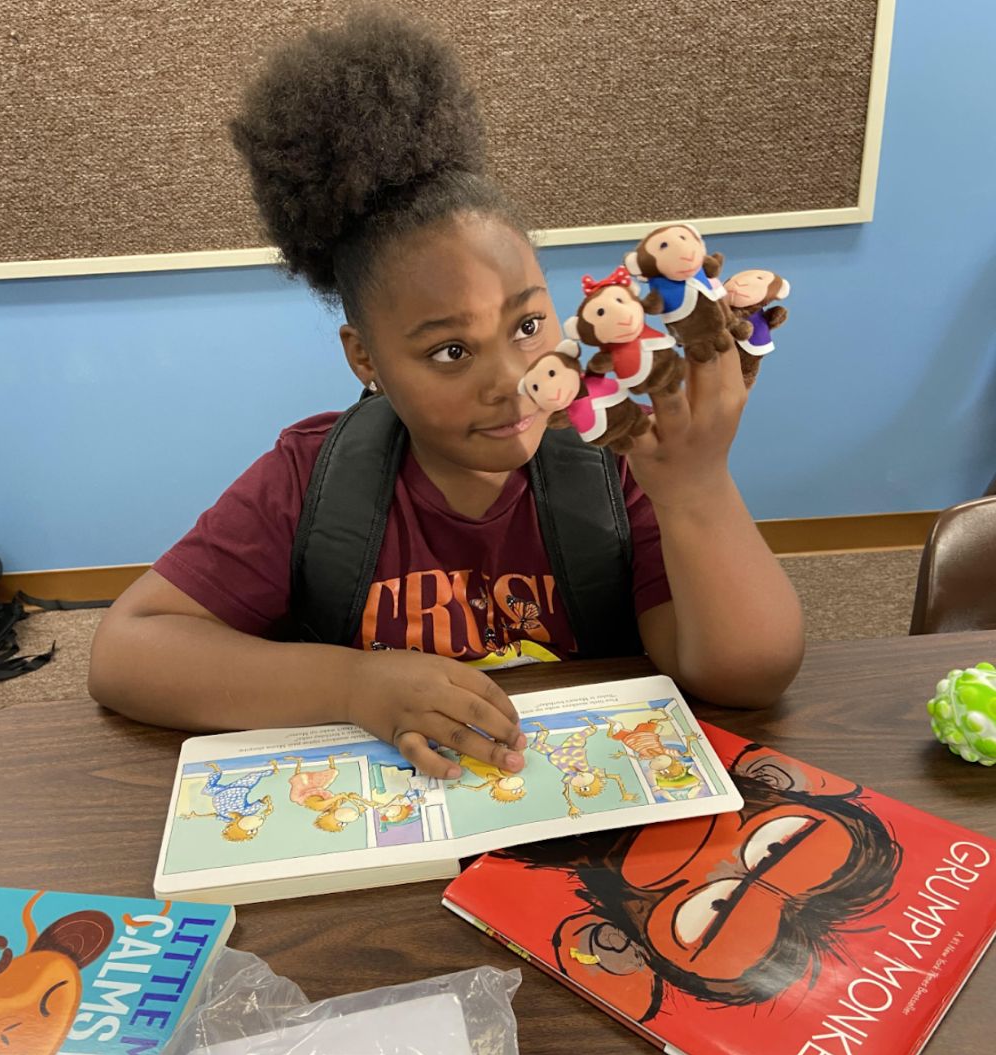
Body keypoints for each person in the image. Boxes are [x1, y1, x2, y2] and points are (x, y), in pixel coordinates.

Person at [88, 9, 804, 782]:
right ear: (366, 359)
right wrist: (353, 684)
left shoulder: (615, 460)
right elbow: (126, 652)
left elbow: (747, 675)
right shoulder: (310, 478)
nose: (514, 380)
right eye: (451, 351)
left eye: (528, 323)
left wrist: (696, 490)